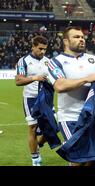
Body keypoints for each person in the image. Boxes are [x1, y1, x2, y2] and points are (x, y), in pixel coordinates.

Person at [46, 26, 95, 166]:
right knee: (78, 159)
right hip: (70, 118)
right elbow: (60, 86)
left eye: (82, 37)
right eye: (76, 37)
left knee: (93, 159)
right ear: (66, 41)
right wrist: (86, 79)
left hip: (93, 117)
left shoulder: (94, 60)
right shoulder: (56, 62)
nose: (81, 39)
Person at [15, 35, 50, 166]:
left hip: (45, 98)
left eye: (45, 49)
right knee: (33, 127)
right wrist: (35, 78)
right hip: (30, 98)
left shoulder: (48, 61)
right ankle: (35, 158)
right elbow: (18, 81)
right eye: (40, 49)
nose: (43, 52)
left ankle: (39, 144)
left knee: (52, 128)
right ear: (33, 46)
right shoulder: (23, 61)